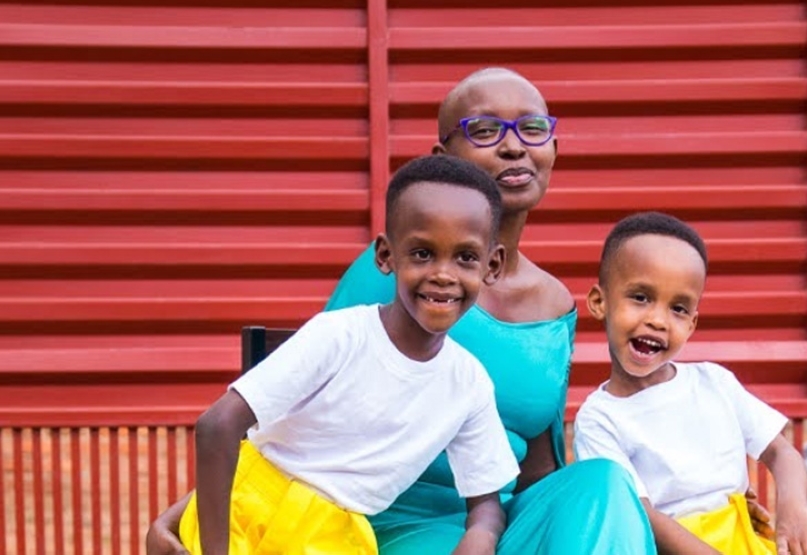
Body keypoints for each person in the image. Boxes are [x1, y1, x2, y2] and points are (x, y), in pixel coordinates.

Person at [149, 67, 768, 555]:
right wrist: (189, 516)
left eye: (532, 129)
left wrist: (691, 508)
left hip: (492, 517)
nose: (513, 148)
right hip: (379, 518)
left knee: (603, 482)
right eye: (484, 131)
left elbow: (543, 463)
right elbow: (289, 412)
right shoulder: (391, 276)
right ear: (443, 152)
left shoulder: (556, 302)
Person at [177, 155, 521, 555]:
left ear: (491, 265)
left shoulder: (468, 382)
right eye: (422, 253)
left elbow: (487, 503)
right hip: (250, 507)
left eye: (465, 257)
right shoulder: (340, 336)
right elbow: (217, 425)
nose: (443, 274)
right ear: (385, 256)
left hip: (336, 537)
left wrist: (479, 538)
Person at [573, 212, 807, 555]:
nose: (658, 320)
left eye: (678, 308)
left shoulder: (714, 383)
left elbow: (781, 453)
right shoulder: (599, 418)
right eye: (641, 297)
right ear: (600, 302)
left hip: (742, 540)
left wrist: (794, 509)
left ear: (692, 324)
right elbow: (640, 515)